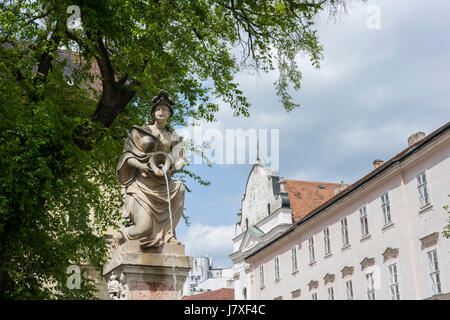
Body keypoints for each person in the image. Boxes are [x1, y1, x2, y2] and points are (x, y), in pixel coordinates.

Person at [115, 89, 185, 249]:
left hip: (163, 182)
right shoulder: (140, 132)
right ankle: (123, 235)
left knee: (180, 187)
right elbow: (127, 157)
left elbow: (180, 157)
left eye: (165, 110)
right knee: (143, 229)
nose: (161, 112)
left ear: (169, 114)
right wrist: (142, 165)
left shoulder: (173, 136)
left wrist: (174, 167)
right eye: (159, 109)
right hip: (143, 185)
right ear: (153, 113)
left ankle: (168, 234)